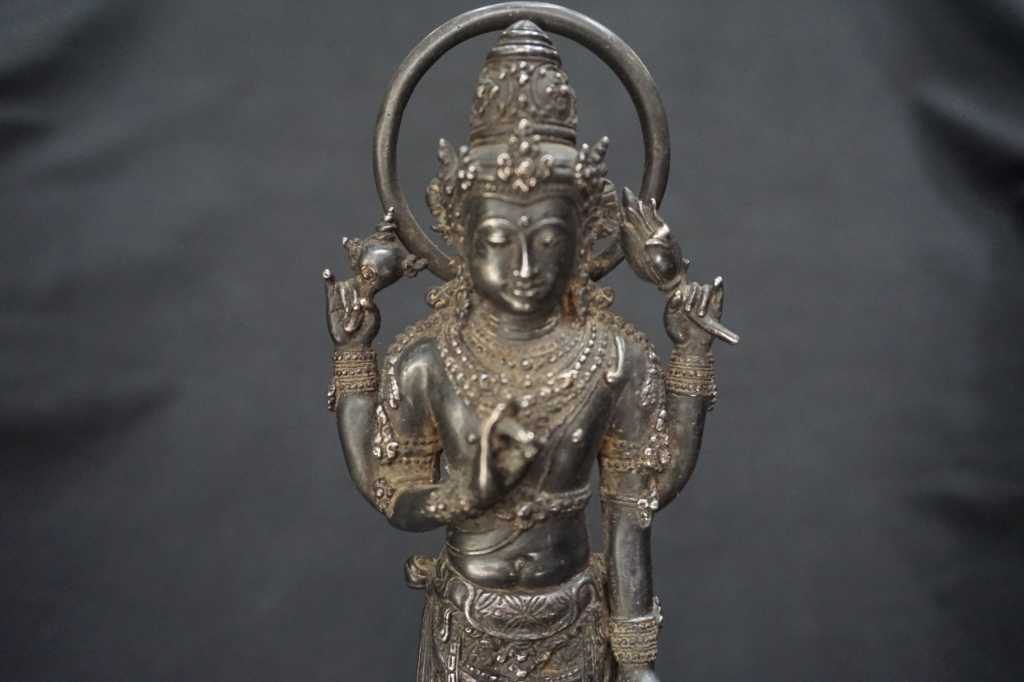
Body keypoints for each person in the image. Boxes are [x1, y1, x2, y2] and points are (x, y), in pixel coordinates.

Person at [323, 20, 730, 682]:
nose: (522, 267)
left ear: (583, 239)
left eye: (546, 240)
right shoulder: (430, 358)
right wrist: (462, 489)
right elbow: (387, 490)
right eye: (496, 241)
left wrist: (636, 660)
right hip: (465, 628)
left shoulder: (615, 359)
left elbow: (635, 508)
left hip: (574, 624)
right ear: (459, 238)